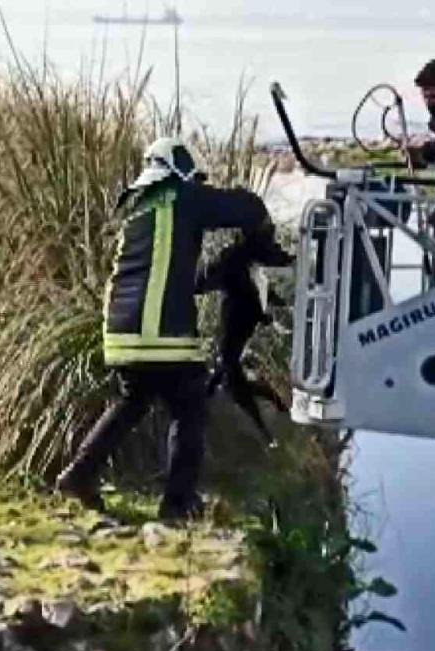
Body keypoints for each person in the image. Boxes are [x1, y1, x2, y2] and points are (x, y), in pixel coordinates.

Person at [56, 137, 273, 520]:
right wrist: (258, 238)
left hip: (120, 330)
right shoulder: (181, 196)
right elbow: (247, 207)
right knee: (189, 407)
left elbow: (173, 277)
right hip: (160, 332)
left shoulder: (138, 208)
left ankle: (79, 475)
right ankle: (177, 505)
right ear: (176, 168)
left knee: (133, 401)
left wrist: (218, 271)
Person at [195, 229, 292, 442]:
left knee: (229, 372)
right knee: (230, 374)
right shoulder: (245, 262)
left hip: (240, 315)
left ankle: (268, 419)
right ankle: (269, 417)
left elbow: (208, 282)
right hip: (243, 316)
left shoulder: (236, 260)